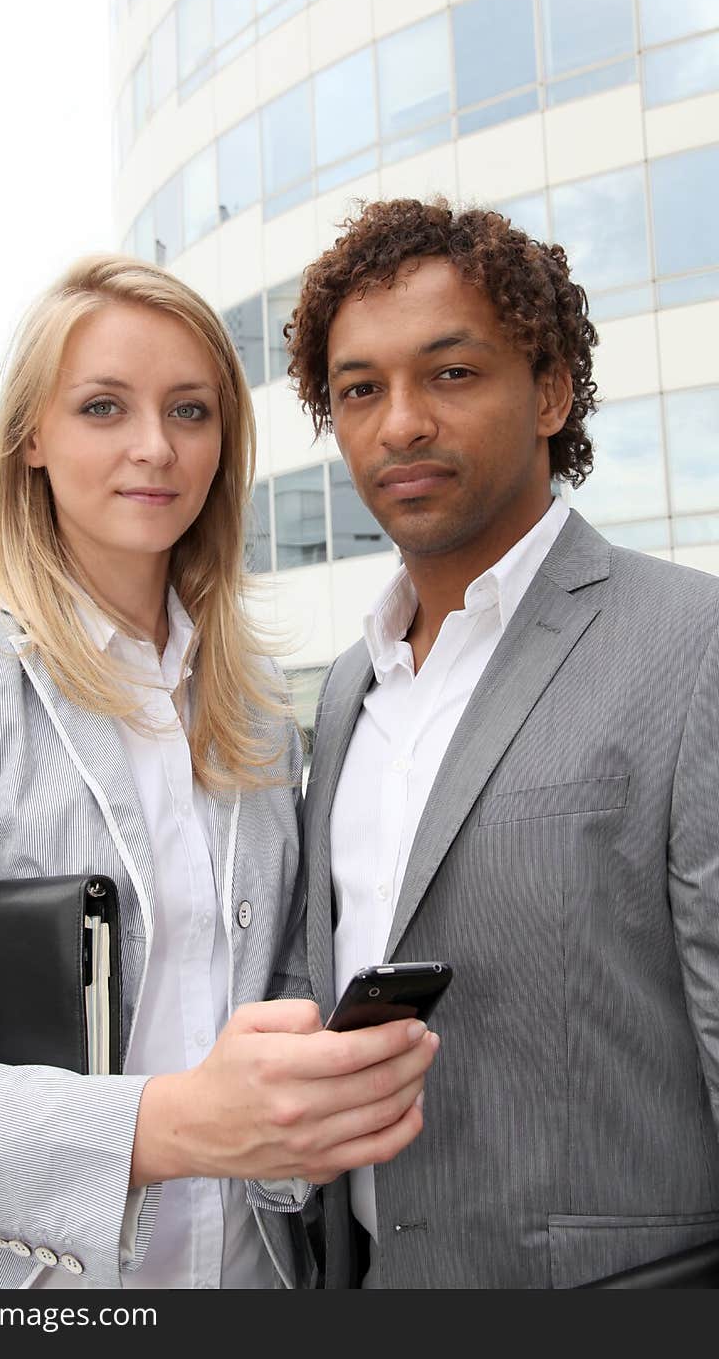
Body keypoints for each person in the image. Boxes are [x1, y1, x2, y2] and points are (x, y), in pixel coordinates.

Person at [0, 255, 439, 1291]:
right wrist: (164, 1127)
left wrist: (306, 1114)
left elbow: (267, 1001)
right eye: (103, 407)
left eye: (190, 409)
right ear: (32, 436)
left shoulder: (252, 709)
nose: (154, 447)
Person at [285, 198, 719, 1289]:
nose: (400, 425)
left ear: (552, 391)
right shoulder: (344, 694)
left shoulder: (694, 644)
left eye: (452, 373)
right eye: (359, 390)